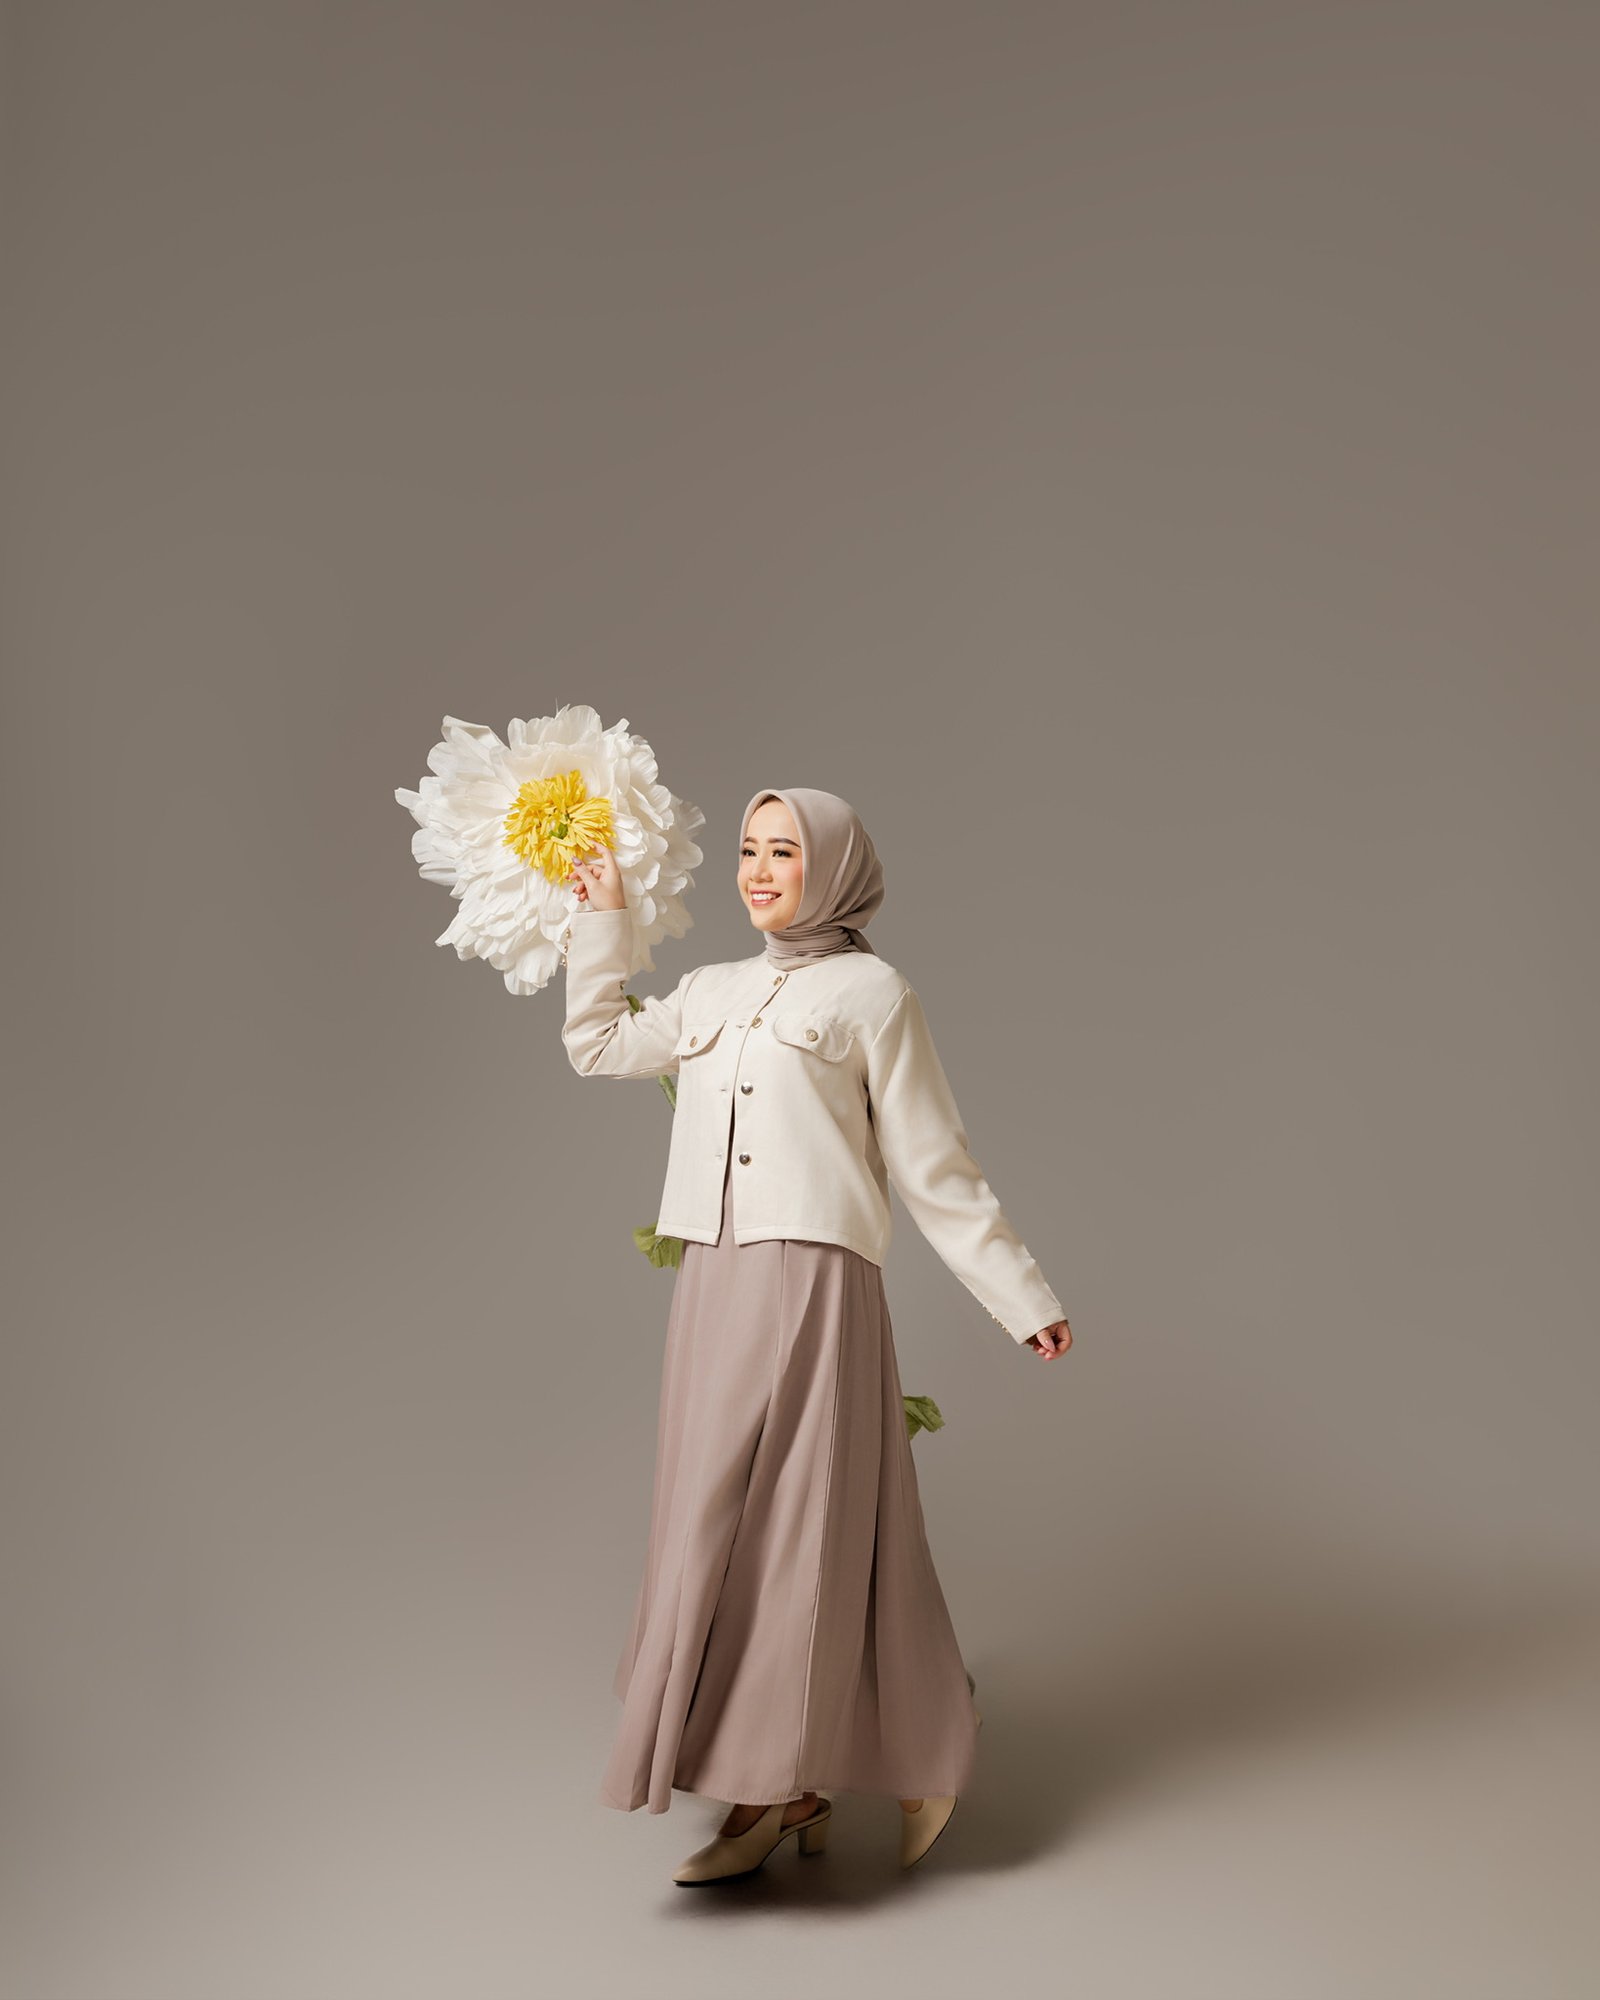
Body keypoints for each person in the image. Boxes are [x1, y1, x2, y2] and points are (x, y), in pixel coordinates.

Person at [562, 786, 1072, 1883]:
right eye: (748, 850)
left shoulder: (874, 995)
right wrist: (602, 915)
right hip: (712, 1280)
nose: (758, 870)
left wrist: (1021, 1296)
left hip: (815, 1283)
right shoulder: (711, 988)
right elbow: (598, 1043)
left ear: (832, 868)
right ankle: (783, 1787)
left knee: (796, 1530)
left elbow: (932, 1163)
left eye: (783, 851)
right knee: (707, 1522)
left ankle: (786, 1783)